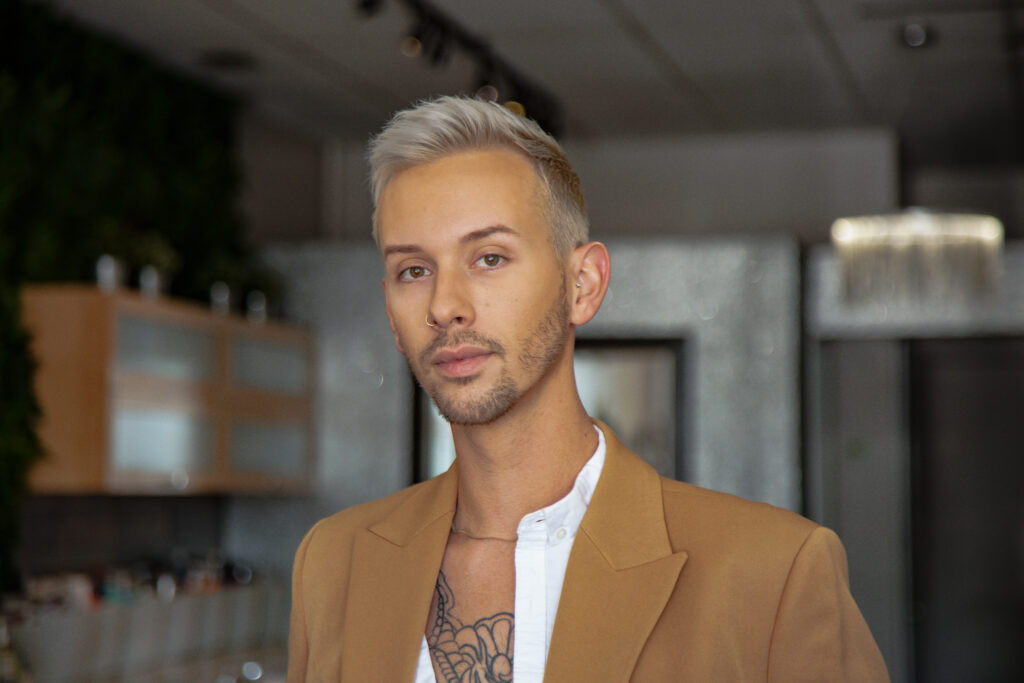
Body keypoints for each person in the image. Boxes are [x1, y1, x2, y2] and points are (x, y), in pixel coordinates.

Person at [286, 95, 889, 683]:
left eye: (489, 258)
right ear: (391, 315)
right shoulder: (332, 563)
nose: (445, 306)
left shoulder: (773, 571)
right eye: (413, 271)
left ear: (584, 284)